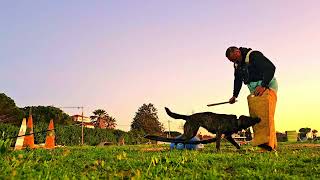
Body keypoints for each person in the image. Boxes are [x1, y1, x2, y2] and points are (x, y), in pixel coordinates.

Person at [225, 46, 278, 151]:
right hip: (254, 88)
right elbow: (238, 80)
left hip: (266, 84)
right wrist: (235, 95)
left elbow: (270, 68)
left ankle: (266, 146)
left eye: (235, 59)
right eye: (232, 61)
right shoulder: (237, 65)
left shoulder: (254, 55)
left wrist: (263, 85)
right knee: (257, 116)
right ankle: (271, 145)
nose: (235, 62)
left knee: (265, 115)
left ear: (238, 51)